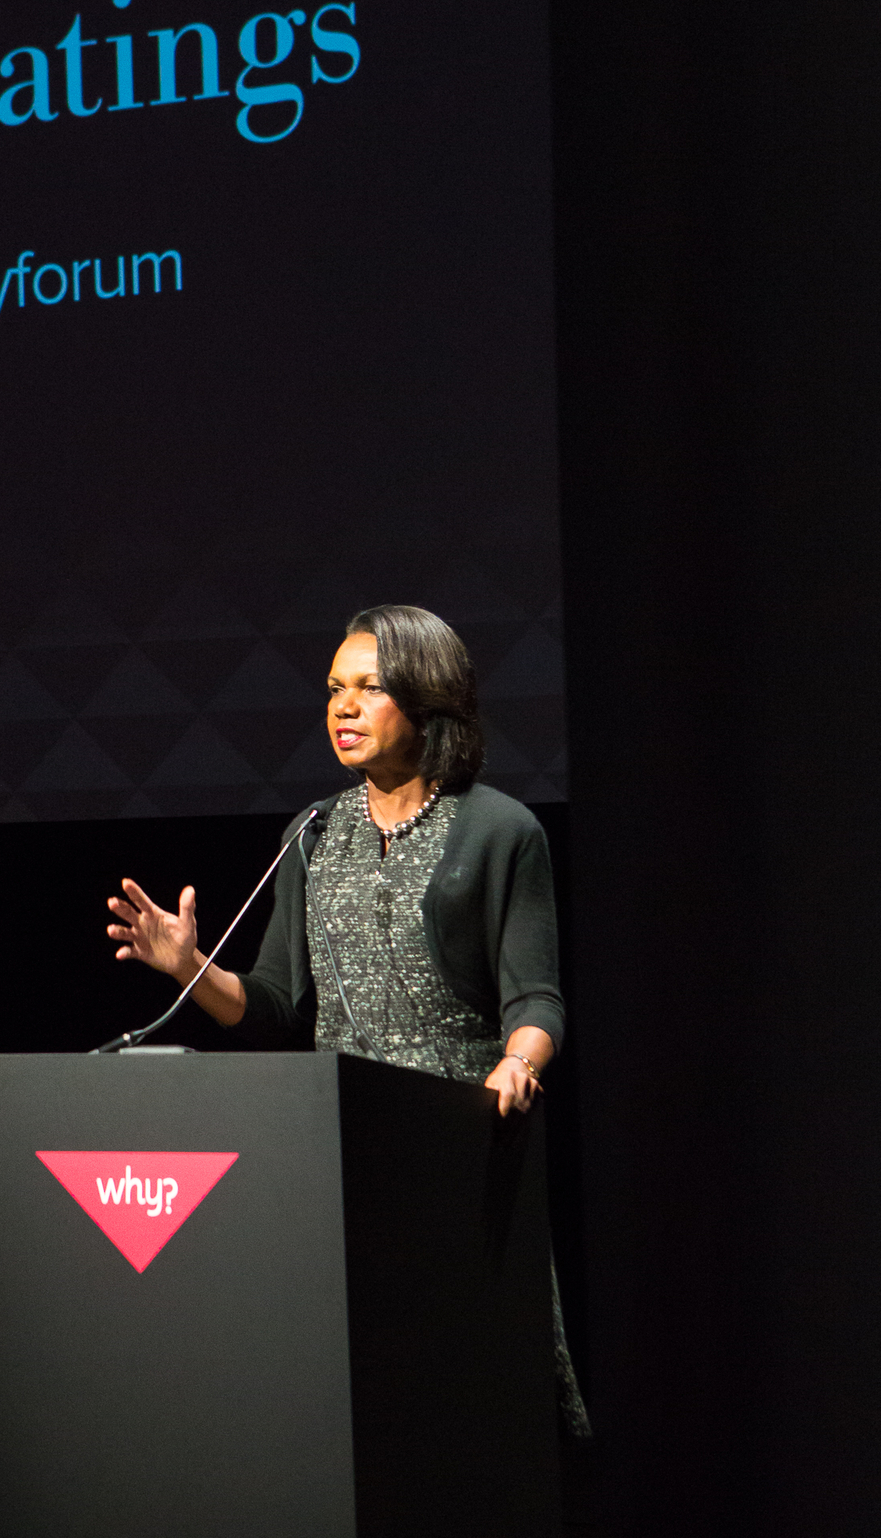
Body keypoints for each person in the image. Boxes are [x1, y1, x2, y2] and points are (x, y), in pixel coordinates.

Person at [107, 601, 588, 1433]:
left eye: (370, 687)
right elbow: (272, 1007)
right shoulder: (314, 833)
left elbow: (535, 997)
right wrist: (190, 967)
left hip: (459, 1131)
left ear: (428, 700)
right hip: (341, 1139)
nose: (344, 707)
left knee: (468, 1385)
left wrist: (520, 1061)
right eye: (335, 689)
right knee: (359, 1382)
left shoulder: (501, 829)